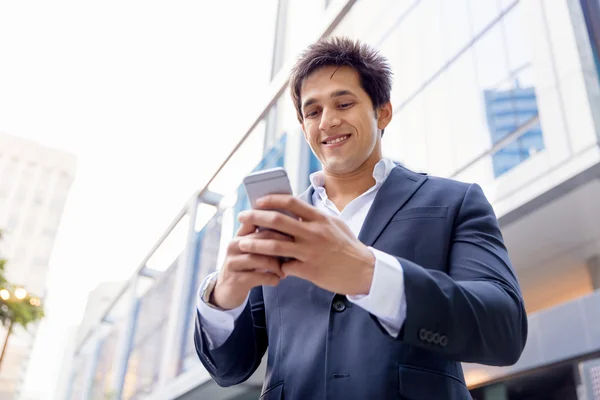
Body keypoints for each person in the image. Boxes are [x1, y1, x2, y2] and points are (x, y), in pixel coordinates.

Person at [194, 37, 527, 399]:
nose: (328, 122)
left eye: (344, 103)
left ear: (382, 111)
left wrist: (368, 274)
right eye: (313, 111)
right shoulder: (279, 225)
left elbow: (504, 329)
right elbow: (229, 368)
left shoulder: (455, 201)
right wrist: (224, 296)